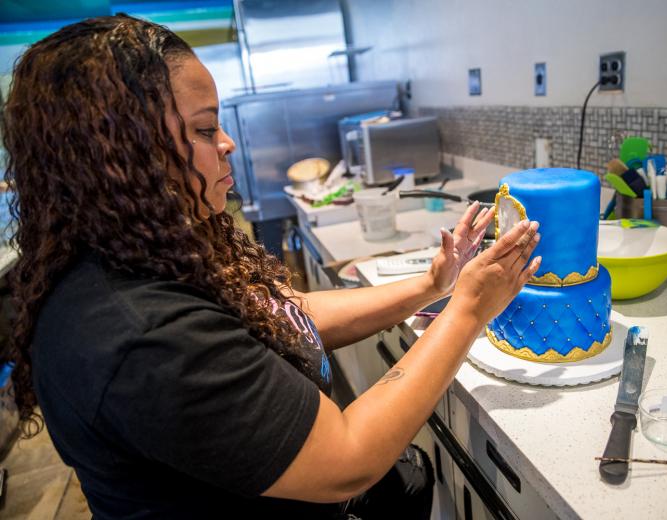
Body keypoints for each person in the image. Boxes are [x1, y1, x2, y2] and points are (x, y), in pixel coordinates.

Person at [1, 14, 541, 520]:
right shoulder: (143, 337)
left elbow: (283, 313)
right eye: (205, 130)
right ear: (120, 153)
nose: (227, 143)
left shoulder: (133, 252)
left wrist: (431, 284)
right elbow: (348, 459)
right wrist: (468, 308)